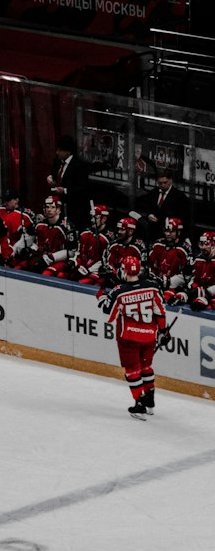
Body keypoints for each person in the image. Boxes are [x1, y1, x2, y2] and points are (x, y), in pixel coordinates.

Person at [100, 252, 167, 417]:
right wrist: (164, 330)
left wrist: (101, 296)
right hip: (149, 336)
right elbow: (160, 310)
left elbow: (109, 316)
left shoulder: (119, 292)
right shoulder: (152, 286)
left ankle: (139, 404)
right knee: (146, 367)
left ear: (123, 270)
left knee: (132, 370)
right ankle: (149, 400)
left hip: (128, 338)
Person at [48, 136, 92, 230]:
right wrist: (50, 177)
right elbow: (53, 172)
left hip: (74, 208)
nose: (57, 153)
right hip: (59, 205)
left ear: (68, 152)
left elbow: (83, 187)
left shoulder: (79, 166)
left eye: (60, 150)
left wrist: (65, 190)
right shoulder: (57, 161)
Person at [138, 171, 190, 246]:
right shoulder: (154, 192)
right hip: (153, 232)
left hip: (169, 233)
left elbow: (183, 218)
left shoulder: (179, 196)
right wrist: (149, 215)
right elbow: (147, 207)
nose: (162, 185)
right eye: (160, 183)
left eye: (165, 182)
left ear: (171, 180)